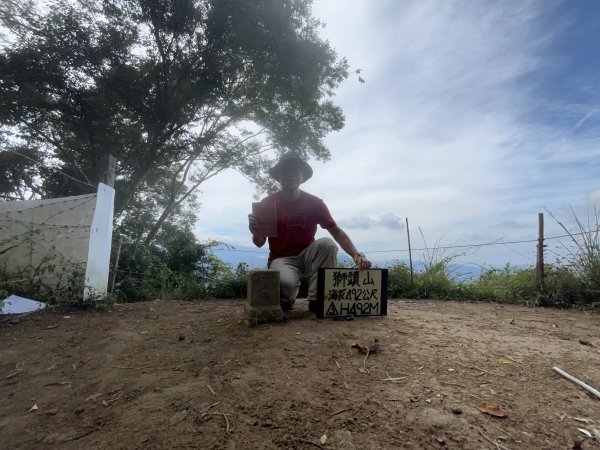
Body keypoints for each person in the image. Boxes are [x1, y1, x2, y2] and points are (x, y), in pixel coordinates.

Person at [248, 152, 372, 311]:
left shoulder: (315, 203)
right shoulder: (267, 203)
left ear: (302, 177)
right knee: (287, 284)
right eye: (286, 171)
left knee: (328, 244)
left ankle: (318, 299)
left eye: (296, 171)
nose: (291, 175)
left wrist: (357, 254)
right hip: (281, 258)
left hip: (309, 254)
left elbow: (337, 232)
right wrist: (255, 231)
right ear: (279, 176)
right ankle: (287, 298)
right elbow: (259, 243)